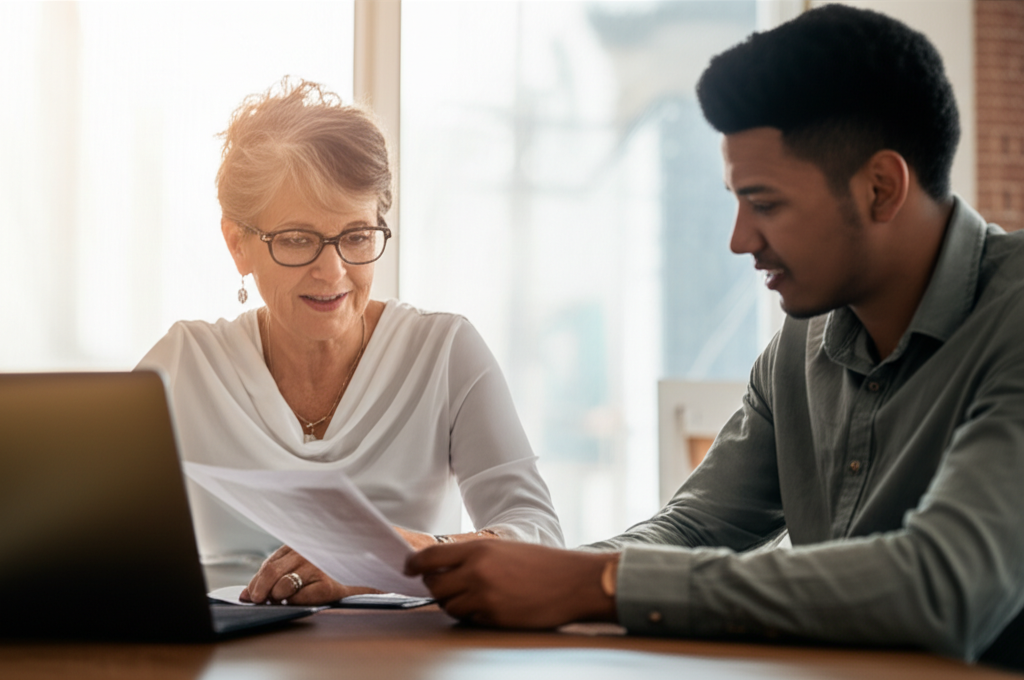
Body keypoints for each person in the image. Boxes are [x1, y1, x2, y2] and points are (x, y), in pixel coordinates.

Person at [405, 4, 1024, 667]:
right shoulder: (800, 344)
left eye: (765, 204)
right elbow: (695, 528)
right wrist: (451, 574)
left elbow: (947, 583)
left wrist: (598, 585)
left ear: (880, 188)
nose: (739, 240)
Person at [138, 78, 563, 603]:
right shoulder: (184, 365)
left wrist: (396, 559)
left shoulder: (444, 351)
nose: (333, 271)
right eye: (298, 240)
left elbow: (540, 536)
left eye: (357, 237)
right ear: (237, 244)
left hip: (398, 656)